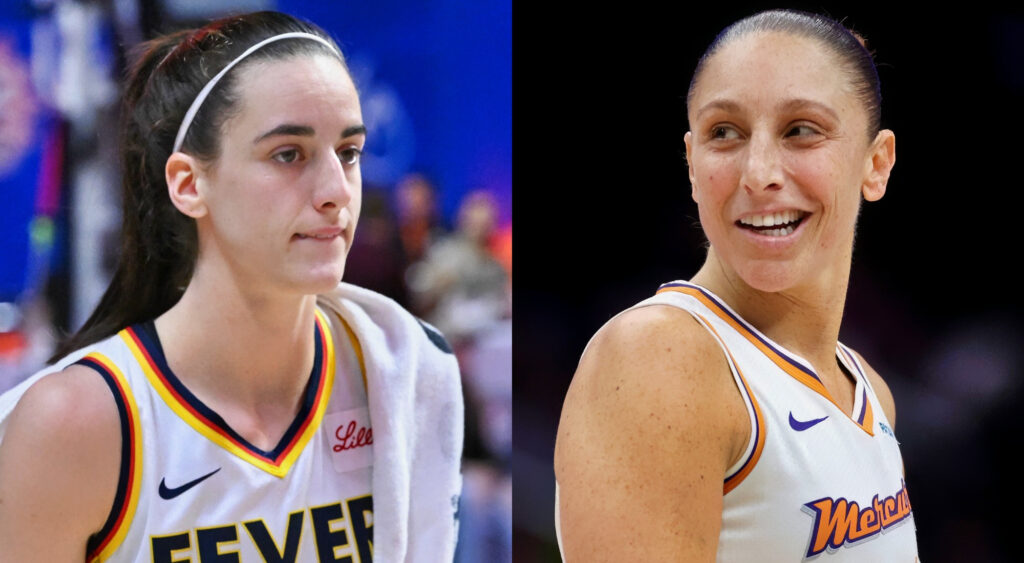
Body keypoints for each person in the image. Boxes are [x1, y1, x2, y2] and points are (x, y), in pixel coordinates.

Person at [0, 11, 463, 562]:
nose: (336, 191)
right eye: (288, 154)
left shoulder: (407, 368)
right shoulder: (74, 423)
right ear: (189, 184)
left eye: (349, 153)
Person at [554, 9, 918, 561]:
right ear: (692, 162)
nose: (759, 172)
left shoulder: (870, 390)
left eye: (801, 130)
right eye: (725, 132)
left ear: (876, 163)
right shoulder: (658, 358)